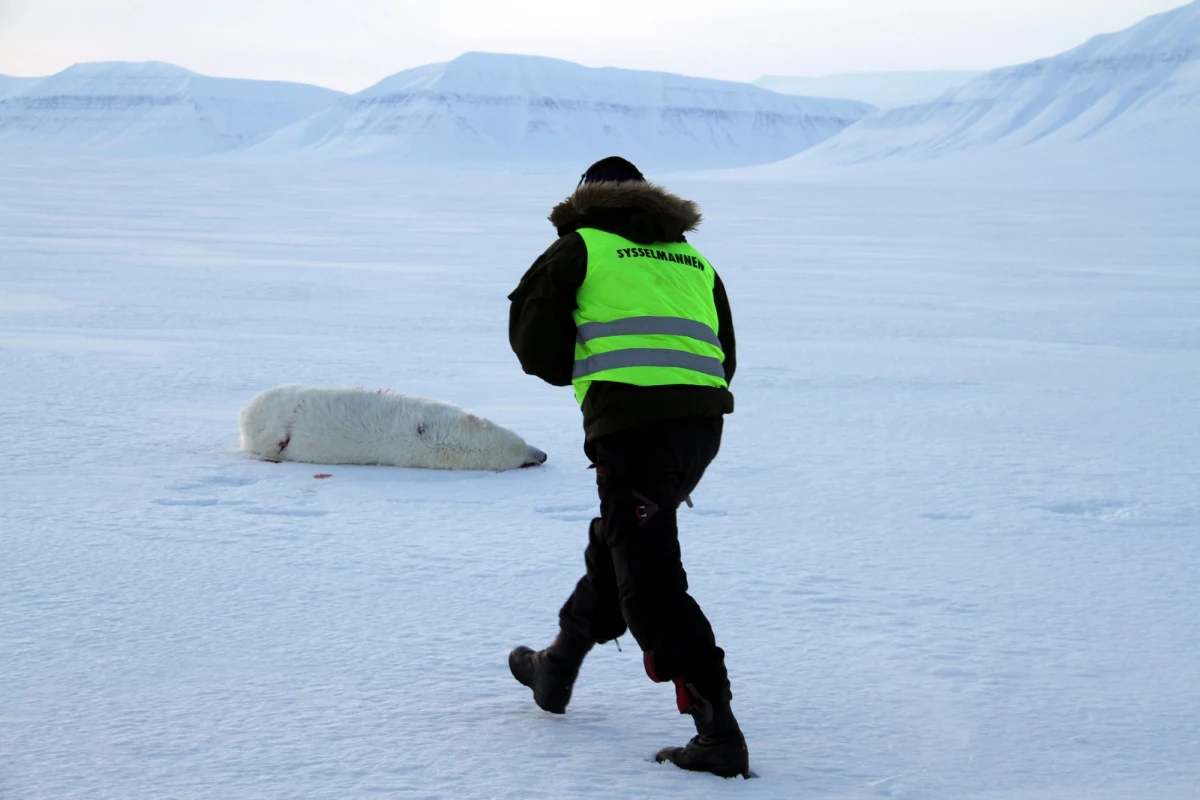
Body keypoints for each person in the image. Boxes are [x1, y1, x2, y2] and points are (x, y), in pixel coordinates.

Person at [506, 156, 749, 779]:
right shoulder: (694, 260)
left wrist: (593, 363)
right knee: (624, 544)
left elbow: (539, 353)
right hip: (699, 432)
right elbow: (724, 353)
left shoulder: (580, 246)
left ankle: (717, 731)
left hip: (633, 431)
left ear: (585, 199)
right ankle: (555, 666)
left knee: (649, 581)